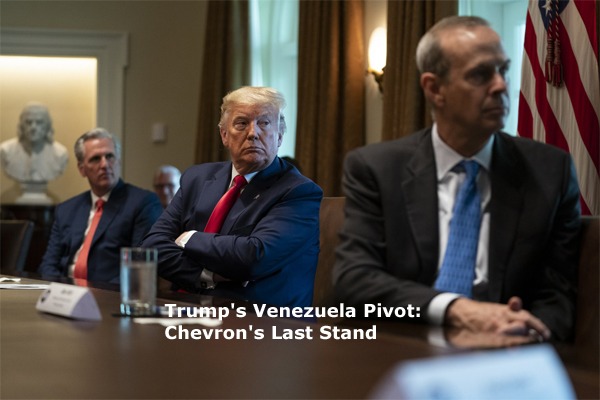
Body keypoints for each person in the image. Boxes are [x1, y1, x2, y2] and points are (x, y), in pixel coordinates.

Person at [333, 16, 580, 344]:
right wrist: (456, 310)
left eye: (503, 70)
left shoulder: (550, 171)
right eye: (481, 74)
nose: (501, 85)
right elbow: (354, 281)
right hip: (403, 344)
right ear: (434, 89)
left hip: (507, 352)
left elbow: (558, 294)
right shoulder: (377, 168)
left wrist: (526, 332)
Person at [142, 86, 323, 307]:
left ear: (280, 136)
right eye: (242, 123)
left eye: (264, 123)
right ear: (224, 135)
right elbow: (152, 246)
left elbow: (254, 256)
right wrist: (207, 275)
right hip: (190, 309)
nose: (253, 133)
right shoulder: (197, 178)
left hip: (263, 326)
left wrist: (188, 238)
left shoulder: (298, 192)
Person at [38, 128, 163, 283]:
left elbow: (139, 267)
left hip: (108, 295)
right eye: (95, 159)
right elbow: (49, 264)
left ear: (118, 161)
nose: (104, 164)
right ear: (82, 169)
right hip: (65, 293)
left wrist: (99, 295)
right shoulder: (66, 209)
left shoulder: (143, 202)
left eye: (110, 156)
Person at [0, 102, 68, 182]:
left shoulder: (60, 154)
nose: (33, 127)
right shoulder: (6, 151)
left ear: (47, 126)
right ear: (21, 125)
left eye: (39, 122)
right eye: (28, 122)